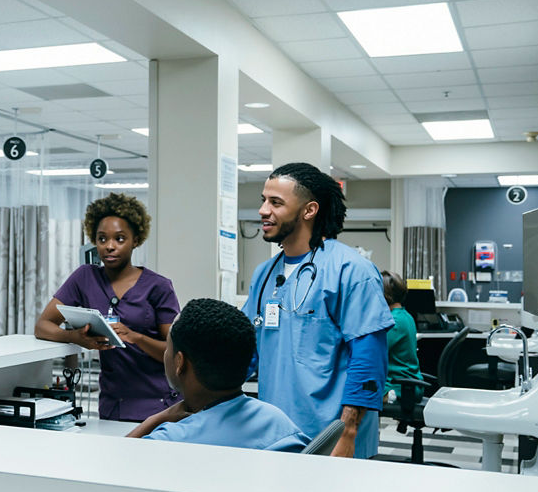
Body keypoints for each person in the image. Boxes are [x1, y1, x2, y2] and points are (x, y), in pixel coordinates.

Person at [243, 162, 393, 458]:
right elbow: (247, 348)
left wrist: (347, 432)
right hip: (275, 432)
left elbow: (368, 358)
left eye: (275, 202)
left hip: (332, 436)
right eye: (263, 200)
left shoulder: (351, 270)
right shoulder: (264, 274)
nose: (263, 210)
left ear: (309, 210)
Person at [34, 193, 180, 421]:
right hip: (113, 404)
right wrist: (75, 337)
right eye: (102, 239)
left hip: (159, 403)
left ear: (136, 240)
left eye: (120, 239)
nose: (110, 246)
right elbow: (43, 326)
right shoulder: (85, 278)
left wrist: (136, 337)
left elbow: (175, 352)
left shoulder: (158, 286)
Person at [128, 298, 308, 452]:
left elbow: (114, 466)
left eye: (168, 347)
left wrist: (155, 420)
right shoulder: (278, 420)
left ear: (179, 362)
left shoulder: (169, 440)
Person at [380, 270, 425, 401]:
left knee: (357, 390)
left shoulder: (393, 321)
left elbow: (373, 351)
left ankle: (388, 396)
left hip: (401, 386)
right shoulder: (405, 315)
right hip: (409, 383)